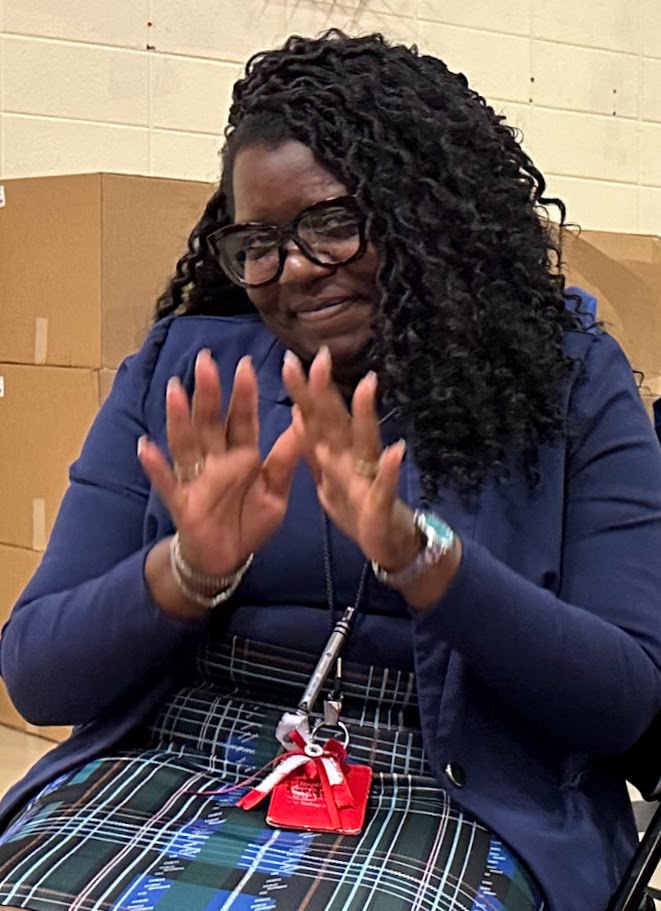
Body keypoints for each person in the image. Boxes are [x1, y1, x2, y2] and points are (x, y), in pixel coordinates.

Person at [0, 29, 659, 911]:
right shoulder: (184, 370)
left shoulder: (567, 380)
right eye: (258, 242)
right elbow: (40, 678)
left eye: (334, 223)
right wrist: (185, 572)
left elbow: (622, 707)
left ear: (424, 211)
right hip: (181, 752)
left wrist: (424, 560)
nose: (296, 270)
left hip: (460, 784)